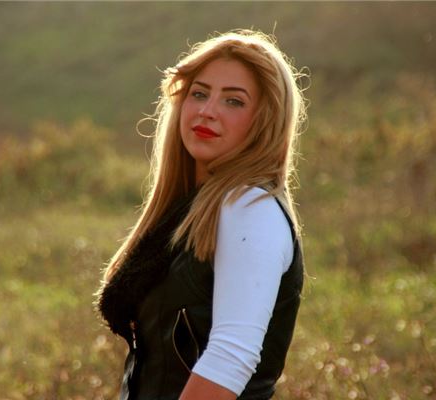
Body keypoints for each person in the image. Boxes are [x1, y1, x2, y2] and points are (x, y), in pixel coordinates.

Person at [97, 29, 308, 400]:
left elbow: (230, 360)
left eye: (234, 101)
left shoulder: (250, 208)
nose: (207, 111)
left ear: (265, 119)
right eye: (199, 93)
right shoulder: (188, 209)